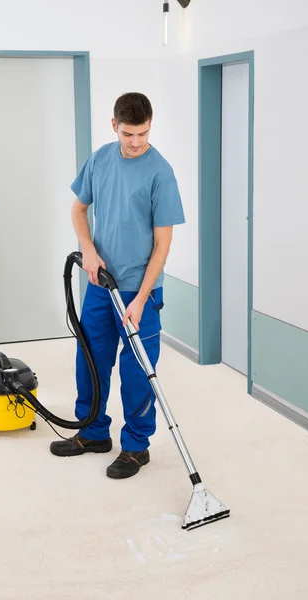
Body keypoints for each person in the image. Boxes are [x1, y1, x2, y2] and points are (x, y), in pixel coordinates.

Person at [50, 92, 185, 479]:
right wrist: (88, 251)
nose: (137, 141)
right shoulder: (100, 159)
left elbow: (163, 244)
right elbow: (78, 208)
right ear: (115, 126)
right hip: (98, 283)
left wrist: (142, 298)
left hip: (139, 292)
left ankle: (135, 448)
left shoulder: (161, 172)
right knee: (91, 359)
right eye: (129, 133)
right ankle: (93, 432)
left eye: (143, 133)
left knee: (137, 370)